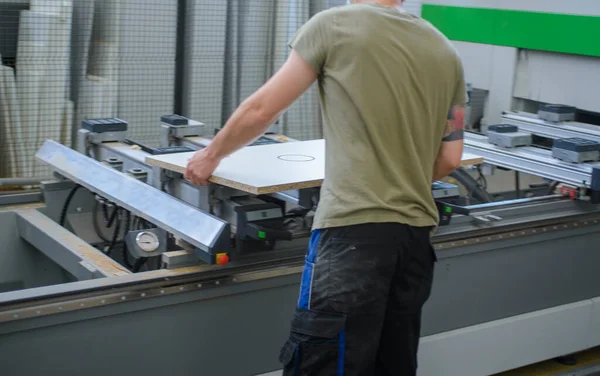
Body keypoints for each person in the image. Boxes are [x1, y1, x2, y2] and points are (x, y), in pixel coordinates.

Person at [185, 0, 466, 374]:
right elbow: (450, 158)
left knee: (323, 364)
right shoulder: (444, 49)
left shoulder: (333, 26)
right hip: (414, 243)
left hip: (353, 236)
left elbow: (262, 111)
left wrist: (210, 156)